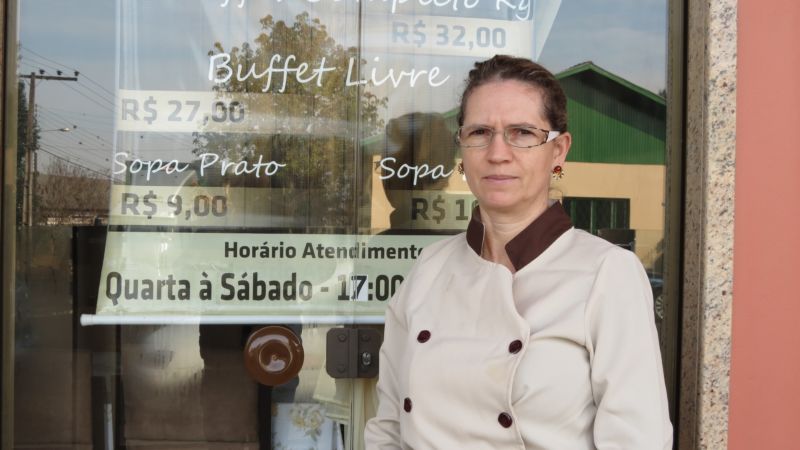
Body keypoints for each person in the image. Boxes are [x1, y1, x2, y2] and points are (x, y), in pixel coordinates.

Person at [363, 55, 673, 449]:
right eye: (479, 132)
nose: (497, 153)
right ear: (462, 146)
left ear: (558, 150)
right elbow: (388, 426)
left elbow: (637, 441)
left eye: (522, 132)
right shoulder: (430, 268)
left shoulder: (607, 273)